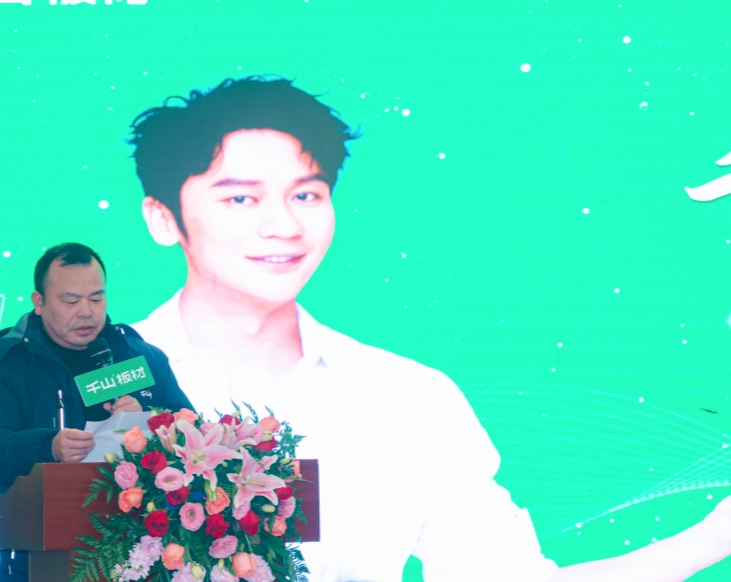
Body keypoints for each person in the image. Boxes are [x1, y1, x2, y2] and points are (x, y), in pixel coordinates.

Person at [128, 77, 731, 581]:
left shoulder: (407, 398)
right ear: (162, 219)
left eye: (306, 195)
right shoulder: (91, 382)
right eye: (240, 200)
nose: (283, 226)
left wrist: (709, 540)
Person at [0, 242, 193, 582]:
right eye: (71, 301)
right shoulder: (5, 366)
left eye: (96, 299)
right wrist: (48, 446)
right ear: (39, 302)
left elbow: (193, 439)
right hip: (39, 561)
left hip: (143, 557)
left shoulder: (141, 359)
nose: (86, 312)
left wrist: (147, 419)